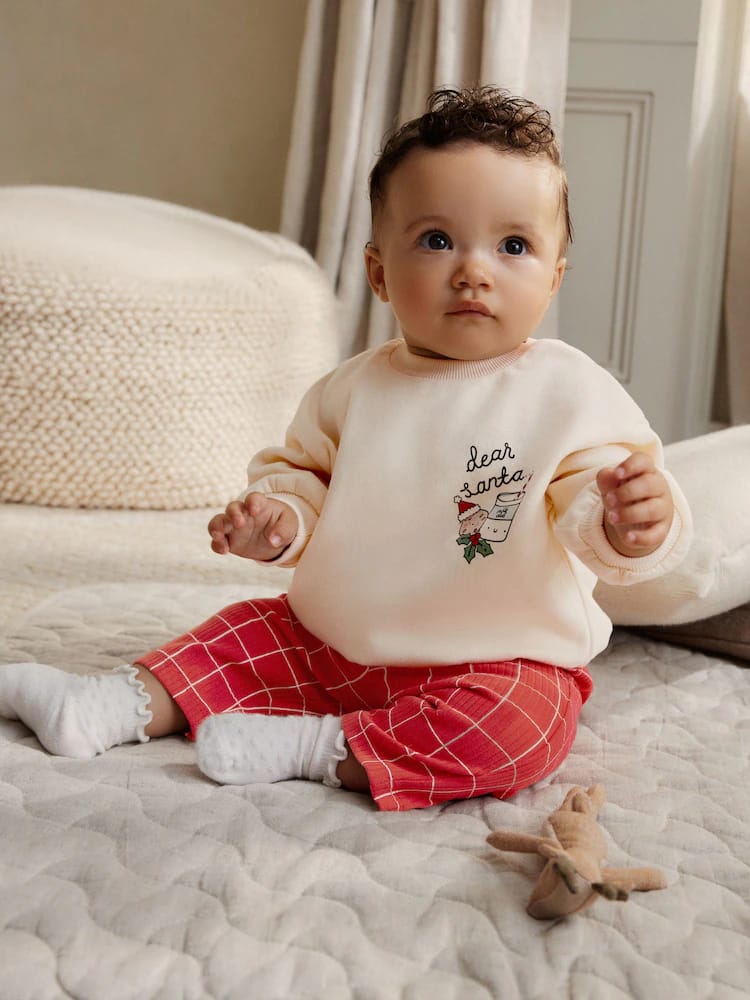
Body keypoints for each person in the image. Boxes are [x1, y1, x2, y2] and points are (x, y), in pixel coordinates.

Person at [0, 87, 692, 811]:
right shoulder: (350, 391)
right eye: (436, 240)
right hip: (332, 647)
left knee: (526, 731)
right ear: (378, 272)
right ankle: (105, 705)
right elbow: (302, 480)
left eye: (512, 246)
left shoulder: (567, 392)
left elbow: (594, 496)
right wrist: (279, 521)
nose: (474, 270)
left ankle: (317, 749)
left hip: (494, 660)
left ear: (553, 278)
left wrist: (630, 521)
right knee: (242, 635)